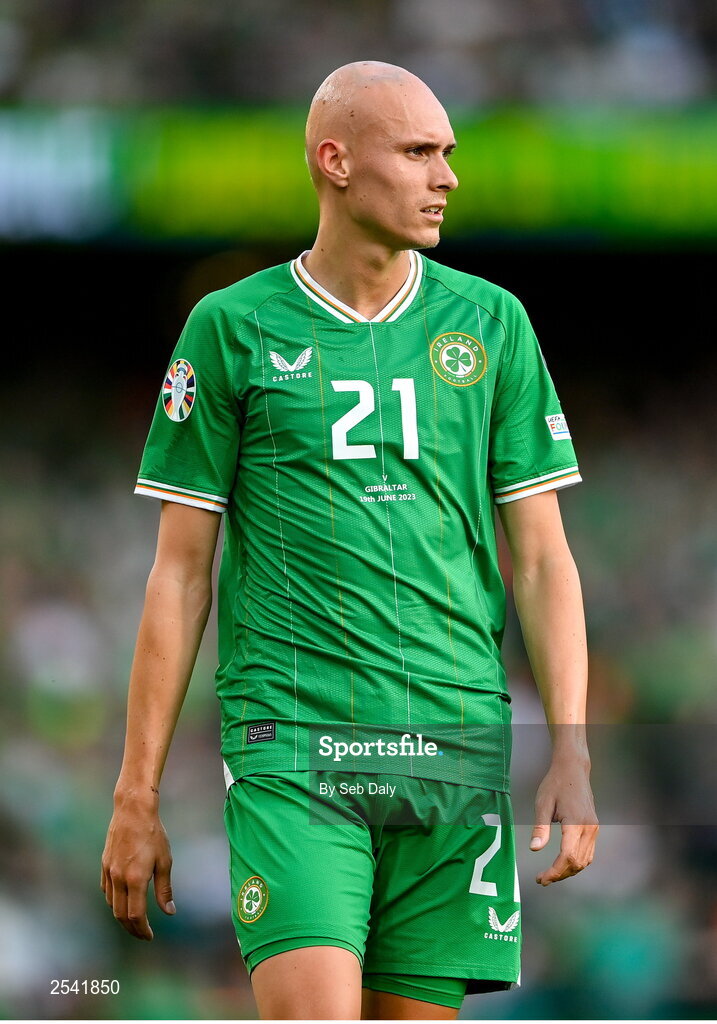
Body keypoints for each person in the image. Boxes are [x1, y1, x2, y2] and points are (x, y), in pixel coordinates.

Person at [101, 60, 598, 1020]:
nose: (446, 177)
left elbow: (540, 558)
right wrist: (136, 787)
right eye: (418, 153)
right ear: (335, 161)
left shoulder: (491, 323)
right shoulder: (231, 327)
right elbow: (179, 573)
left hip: (453, 751)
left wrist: (571, 752)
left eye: (447, 154)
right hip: (297, 748)